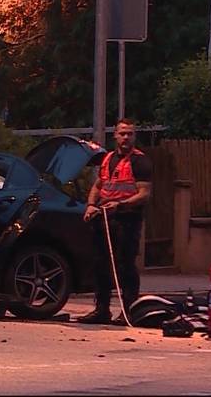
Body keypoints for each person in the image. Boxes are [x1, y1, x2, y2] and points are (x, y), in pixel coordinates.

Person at [77, 118, 153, 326]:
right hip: (104, 218)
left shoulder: (140, 162)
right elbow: (98, 185)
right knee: (101, 264)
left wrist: (120, 205)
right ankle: (101, 309)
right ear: (115, 136)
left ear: (134, 136)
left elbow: (144, 193)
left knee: (125, 264)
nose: (126, 137)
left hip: (127, 219)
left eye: (130, 133)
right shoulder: (107, 158)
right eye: (122, 133)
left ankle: (129, 311)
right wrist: (91, 205)